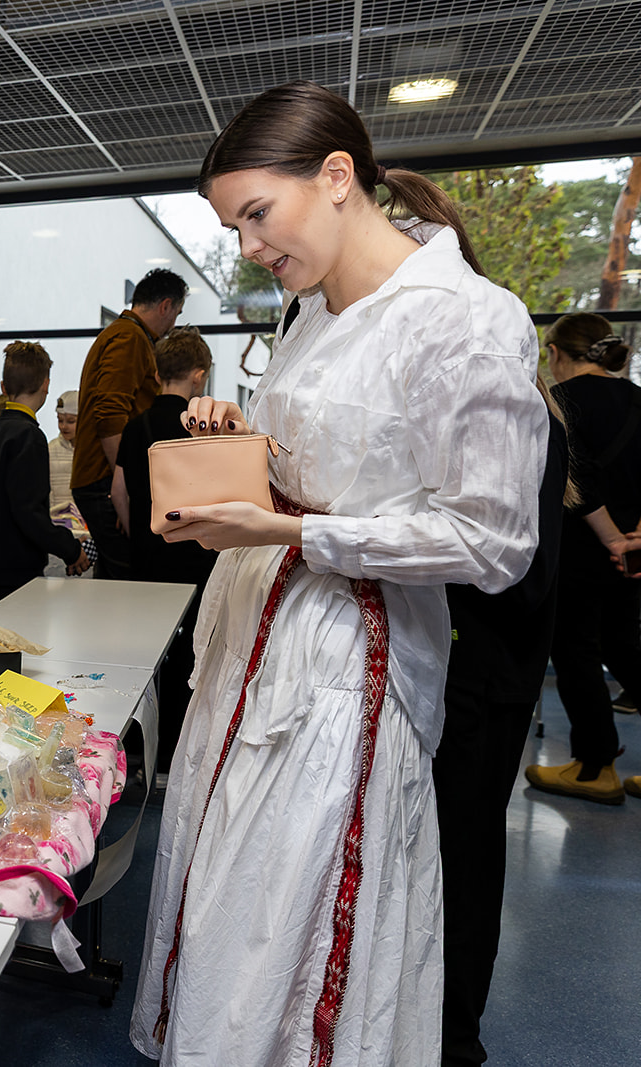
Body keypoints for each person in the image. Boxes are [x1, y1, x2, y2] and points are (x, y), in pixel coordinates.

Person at [130, 81, 546, 1066]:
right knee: (231, 894)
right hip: (257, 633)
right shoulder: (309, 309)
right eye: (233, 228)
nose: (247, 247)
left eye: (255, 215)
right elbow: (330, 459)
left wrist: (292, 530)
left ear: (334, 176)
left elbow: (493, 541)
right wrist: (244, 441)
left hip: (342, 657)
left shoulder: (464, 319)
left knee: (294, 916)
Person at [432, 383, 568, 1067]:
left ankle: (456, 1035)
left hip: (483, 675)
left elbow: (522, 577)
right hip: (465, 669)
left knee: (465, 855)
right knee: (445, 852)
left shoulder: (522, 422)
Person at [525, 314, 641, 803]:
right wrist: (633, 539)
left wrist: (611, 538)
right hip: (631, 555)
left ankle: (595, 769)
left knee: (576, 653)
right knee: (625, 647)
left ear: (555, 353)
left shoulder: (560, 402)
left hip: (581, 550)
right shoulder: (636, 398)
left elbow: (579, 480)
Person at [110, 327, 219, 774]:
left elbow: (118, 492)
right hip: (194, 559)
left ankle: (136, 749)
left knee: (146, 654)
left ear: (156, 374)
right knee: (190, 654)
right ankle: (175, 753)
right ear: (199, 376)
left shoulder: (136, 425)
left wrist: (137, 529)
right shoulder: (203, 429)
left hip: (146, 558)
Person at [71, 268, 187, 579]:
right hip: (104, 479)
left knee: (114, 578)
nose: (172, 325)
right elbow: (109, 414)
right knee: (126, 580)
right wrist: (122, 486)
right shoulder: (130, 337)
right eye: (176, 314)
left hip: (101, 479)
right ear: (165, 306)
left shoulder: (123, 333)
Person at [0, 342, 89, 609]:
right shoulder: (29, 436)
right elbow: (29, 513)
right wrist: (70, 549)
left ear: (4, 387)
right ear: (46, 384)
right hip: (16, 564)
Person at [47, 389, 78, 517]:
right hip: (56, 519)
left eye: (70, 421)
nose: (64, 426)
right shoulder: (50, 449)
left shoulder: (92, 451)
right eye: (60, 420)